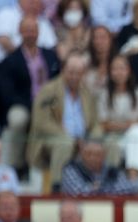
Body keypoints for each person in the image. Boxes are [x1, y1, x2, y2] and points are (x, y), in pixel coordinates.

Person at [0, 15, 60, 173]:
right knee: (18, 119)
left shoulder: (50, 55)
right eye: (27, 30)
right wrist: (31, 105)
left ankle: (51, 166)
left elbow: (58, 82)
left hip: (50, 105)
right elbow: (7, 92)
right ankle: (16, 165)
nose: (30, 33)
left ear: (38, 32)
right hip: (23, 104)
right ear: (20, 32)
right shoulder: (11, 60)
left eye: (33, 30)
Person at [28, 50, 95, 192]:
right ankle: (56, 186)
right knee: (64, 143)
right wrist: (68, 136)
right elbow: (42, 122)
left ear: (83, 74)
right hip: (52, 139)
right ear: (63, 70)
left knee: (103, 145)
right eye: (71, 72)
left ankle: (102, 186)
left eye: (78, 73)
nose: (74, 77)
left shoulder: (87, 92)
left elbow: (95, 123)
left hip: (83, 140)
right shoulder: (49, 90)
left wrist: (94, 139)